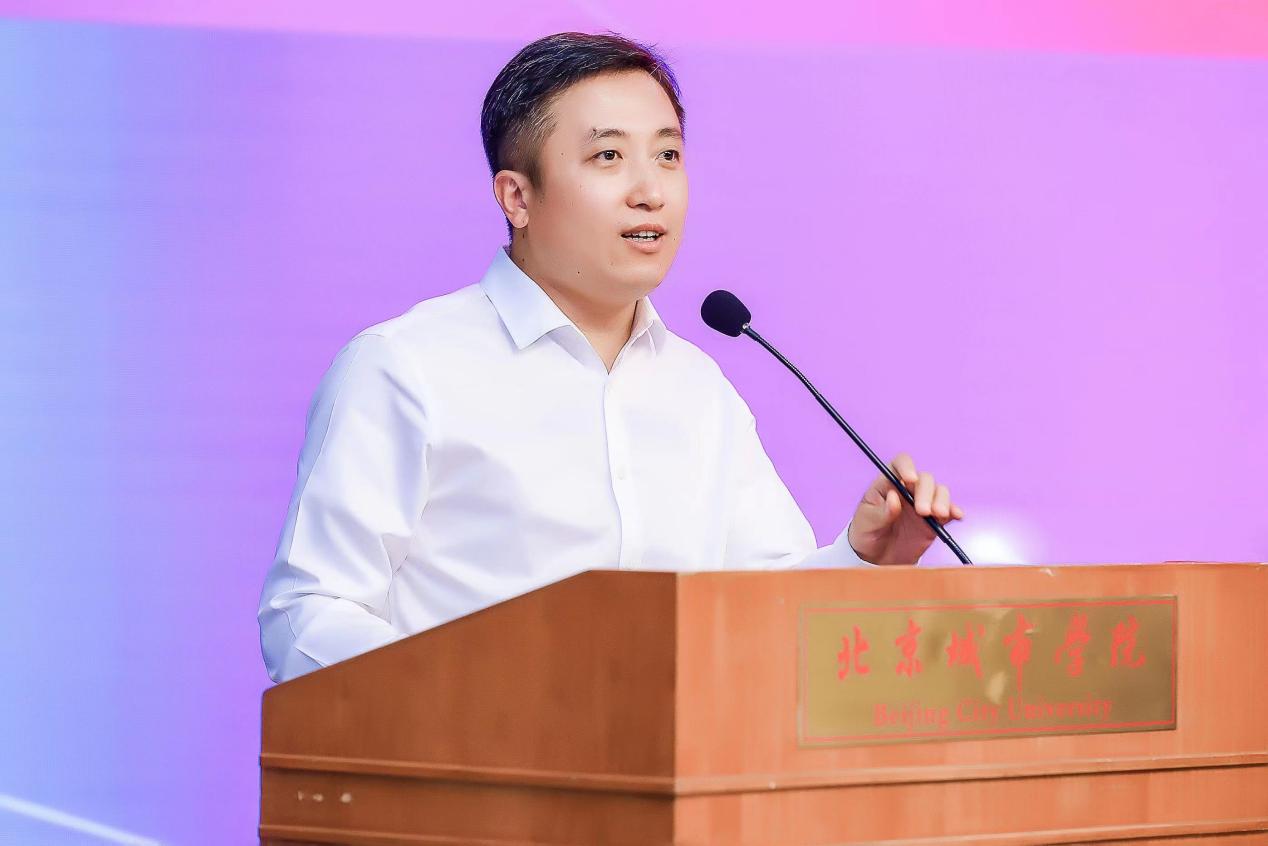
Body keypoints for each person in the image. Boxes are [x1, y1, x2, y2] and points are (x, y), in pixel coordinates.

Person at [258, 32, 964, 684]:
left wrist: (865, 558)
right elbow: (308, 614)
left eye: (667, 155)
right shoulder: (405, 368)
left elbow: (762, 614)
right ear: (517, 197)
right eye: (608, 157)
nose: (650, 191)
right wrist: (467, 705)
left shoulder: (699, 389)